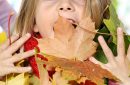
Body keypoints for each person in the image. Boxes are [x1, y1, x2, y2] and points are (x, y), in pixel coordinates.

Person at [0, 0, 130, 85]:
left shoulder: (112, 73)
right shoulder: (15, 65)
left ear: (95, 18)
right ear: (34, 22)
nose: (65, 4)